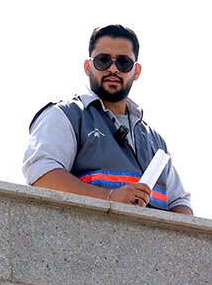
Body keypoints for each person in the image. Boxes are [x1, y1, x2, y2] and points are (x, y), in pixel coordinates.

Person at [22, 24, 193, 214]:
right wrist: (109, 197)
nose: (113, 69)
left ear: (136, 71)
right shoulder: (65, 115)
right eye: (103, 60)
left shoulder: (155, 141)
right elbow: (41, 174)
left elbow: (179, 201)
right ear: (88, 67)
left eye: (123, 62)